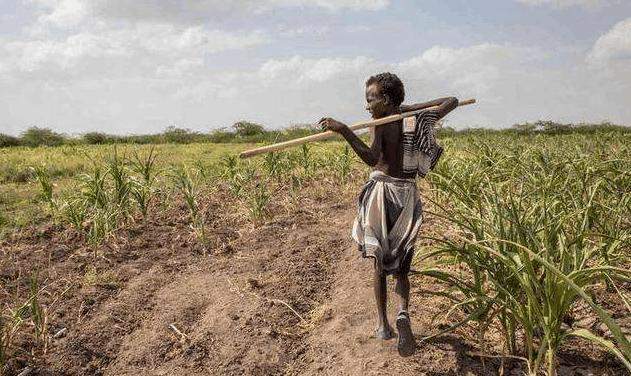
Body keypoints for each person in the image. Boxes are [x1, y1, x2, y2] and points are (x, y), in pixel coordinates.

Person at [318, 72, 458, 356]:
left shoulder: (380, 124)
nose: (367, 105)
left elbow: (371, 159)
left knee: (379, 263)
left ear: (386, 99)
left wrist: (344, 130)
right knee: (403, 264)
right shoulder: (411, 119)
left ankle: (383, 325)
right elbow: (451, 100)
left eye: (371, 98)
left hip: (382, 194)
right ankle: (403, 311)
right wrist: (410, 109)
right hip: (407, 194)